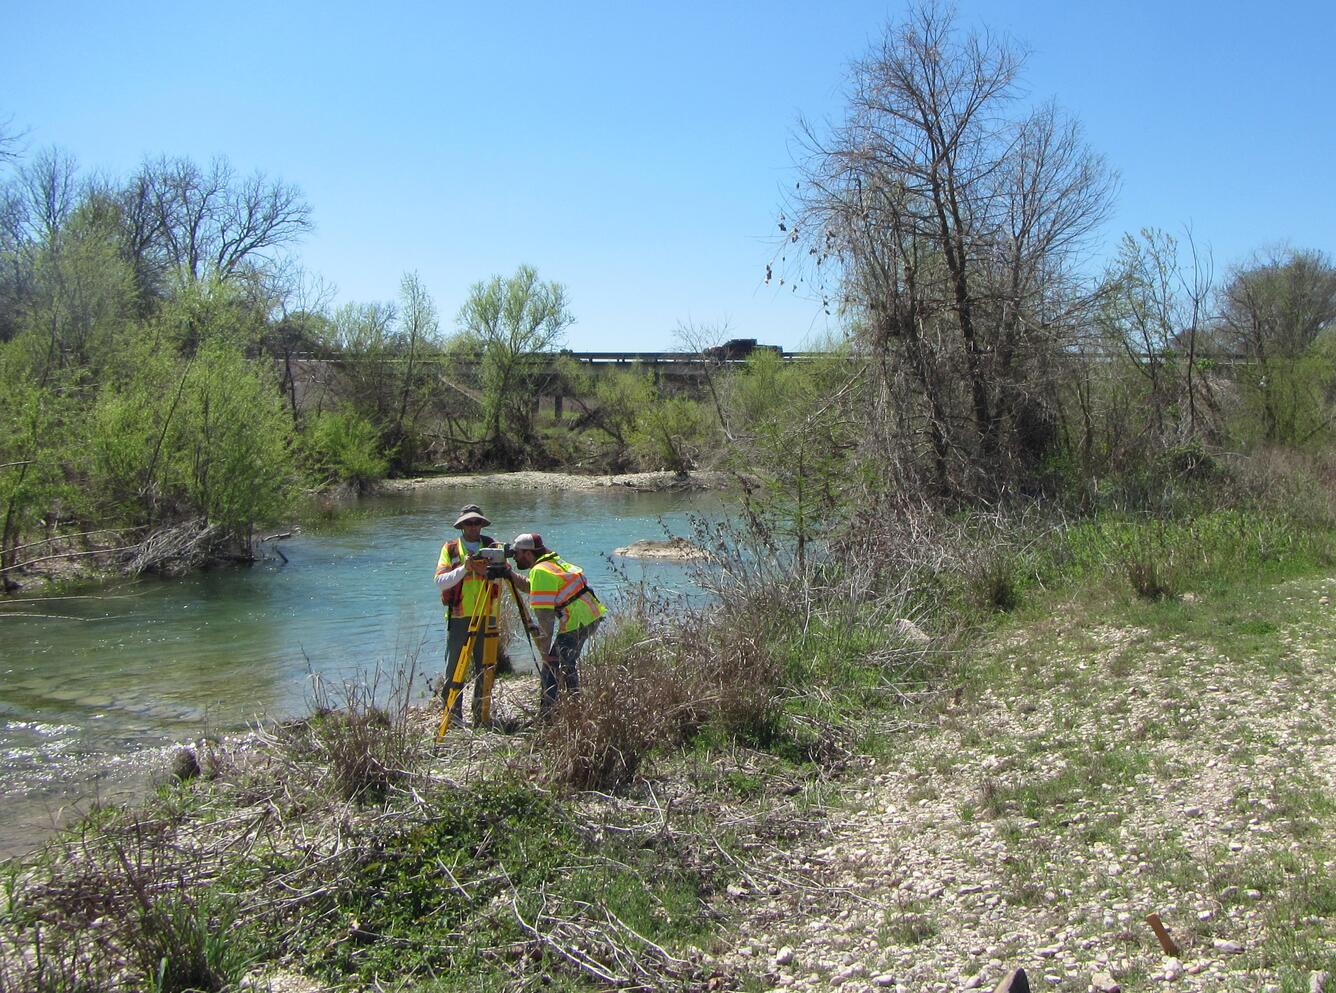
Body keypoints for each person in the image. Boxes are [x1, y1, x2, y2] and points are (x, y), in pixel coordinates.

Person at [508, 532, 607, 714]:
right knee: (567, 664)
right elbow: (532, 587)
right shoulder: (550, 562)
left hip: (576, 621)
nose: (514, 558)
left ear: (528, 554)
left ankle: (548, 715)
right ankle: (575, 707)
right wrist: (509, 574)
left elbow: (545, 622)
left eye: (516, 554)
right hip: (591, 615)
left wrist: (545, 653)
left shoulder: (540, 571)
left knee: (551, 666)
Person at [433, 504, 508, 727]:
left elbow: (505, 572)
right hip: (459, 616)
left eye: (477, 523)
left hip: (487, 614)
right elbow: (440, 581)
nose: (473, 527)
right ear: (462, 526)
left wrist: (489, 568)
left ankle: (481, 715)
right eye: (469, 523)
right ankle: (453, 718)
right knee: (455, 668)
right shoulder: (451, 549)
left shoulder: (492, 545)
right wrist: (466, 568)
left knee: (485, 667)